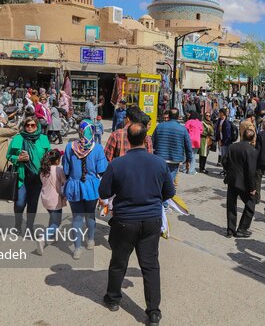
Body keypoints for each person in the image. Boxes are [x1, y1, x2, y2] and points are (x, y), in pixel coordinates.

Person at [99, 122, 175, 326]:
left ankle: (113, 298)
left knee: (119, 261)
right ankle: (153, 312)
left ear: (129, 140)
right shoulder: (159, 163)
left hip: (125, 220)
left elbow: (103, 192)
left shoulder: (117, 164)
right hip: (151, 220)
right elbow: (169, 192)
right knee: (150, 266)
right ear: (145, 139)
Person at [63, 120, 108, 259]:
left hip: (74, 186)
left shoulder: (70, 147)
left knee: (77, 217)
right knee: (90, 214)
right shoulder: (98, 148)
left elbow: (66, 169)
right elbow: (102, 170)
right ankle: (90, 240)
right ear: (93, 132)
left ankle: (77, 249)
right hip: (92, 187)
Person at [7, 117, 50, 234]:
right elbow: (8, 156)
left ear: (37, 126)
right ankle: (17, 225)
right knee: (20, 203)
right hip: (21, 177)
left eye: (33, 125)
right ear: (24, 126)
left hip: (37, 178)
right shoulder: (18, 138)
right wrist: (18, 158)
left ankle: (29, 227)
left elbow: (48, 157)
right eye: (27, 125)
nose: (30, 127)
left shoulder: (43, 138)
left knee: (32, 204)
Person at [222, 128, 258, 238]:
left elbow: (224, 161)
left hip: (232, 180)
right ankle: (242, 228)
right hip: (244, 183)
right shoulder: (252, 151)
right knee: (251, 204)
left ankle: (230, 229)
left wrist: (228, 171)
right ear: (252, 139)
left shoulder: (233, 146)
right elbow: (251, 171)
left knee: (231, 205)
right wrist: (252, 187)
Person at [36, 149, 66, 256]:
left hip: (45, 199)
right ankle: (43, 238)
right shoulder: (58, 170)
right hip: (55, 200)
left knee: (52, 218)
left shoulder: (44, 170)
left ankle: (51, 236)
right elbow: (64, 181)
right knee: (56, 223)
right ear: (57, 160)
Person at [152, 107, 193, 183]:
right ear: (178, 117)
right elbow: (188, 147)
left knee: (159, 180)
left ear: (169, 116)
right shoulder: (182, 129)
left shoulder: (159, 126)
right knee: (169, 181)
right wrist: (188, 160)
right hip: (175, 160)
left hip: (160, 158)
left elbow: (152, 142)